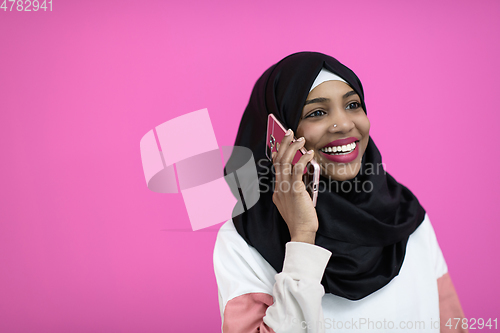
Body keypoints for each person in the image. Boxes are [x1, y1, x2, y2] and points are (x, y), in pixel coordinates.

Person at [213, 52, 467, 333]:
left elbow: (452, 325)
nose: (345, 124)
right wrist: (302, 238)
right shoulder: (243, 242)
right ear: (278, 136)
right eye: (317, 112)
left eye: (353, 105)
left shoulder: (404, 213)